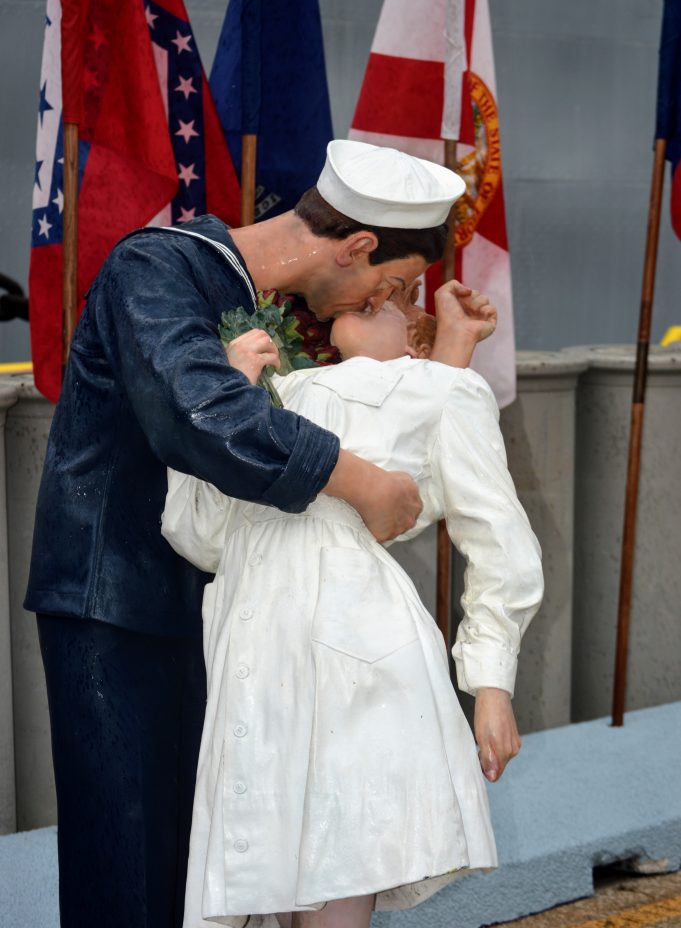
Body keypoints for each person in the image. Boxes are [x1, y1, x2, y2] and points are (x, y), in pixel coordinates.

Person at [25, 139, 476, 928]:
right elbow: (207, 419)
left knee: (217, 869)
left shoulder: (288, 318)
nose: (375, 304)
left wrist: (445, 368)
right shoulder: (156, 268)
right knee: (133, 863)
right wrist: (363, 480)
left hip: (230, 611)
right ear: (358, 244)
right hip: (120, 601)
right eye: (390, 285)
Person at [161, 289, 544, 928]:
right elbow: (199, 535)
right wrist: (221, 398)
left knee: (342, 854)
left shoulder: (440, 389)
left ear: (419, 348)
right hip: (252, 654)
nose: (382, 296)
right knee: (267, 875)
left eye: (397, 303)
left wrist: (491, 685)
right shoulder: (287, 385)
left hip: (356, 658)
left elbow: (501, 542)